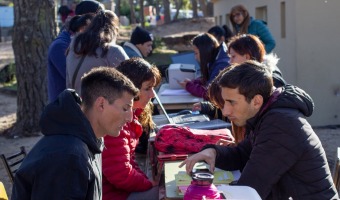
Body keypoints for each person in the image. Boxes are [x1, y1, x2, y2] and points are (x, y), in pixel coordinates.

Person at [179, 61, 339, 199]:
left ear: (256, 101)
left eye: (231, 102)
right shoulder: (269, 115)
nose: (226, 111)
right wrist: (213, 152)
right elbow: (243, 154)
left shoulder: (281, 125)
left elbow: (249, 191)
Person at [11, 67, 139, 200]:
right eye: (125, 108)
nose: (130, 118)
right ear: (101, 104)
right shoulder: (69, 157)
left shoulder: (90, 139)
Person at [102, 58, 162, 200]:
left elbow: (128, 161)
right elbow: (121, 174)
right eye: (147, 88)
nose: (153, 94)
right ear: (131, 88)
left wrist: (146, 182)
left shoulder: (129, 114)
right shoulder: (116, 121)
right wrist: (148, 184)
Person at [48, 0, 104, 102]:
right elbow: (78, 81)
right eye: (99, 20)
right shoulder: (60, 46)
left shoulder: (85, 43)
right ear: (86, 20)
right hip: (64, 111)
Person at [66, 10, 129, 95]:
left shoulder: (73, 47)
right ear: (115, 30)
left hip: (75, 104)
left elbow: (68, 83)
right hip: (102, 106)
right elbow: (131, 82)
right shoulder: (113, 51)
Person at [178, 33, 230, 100]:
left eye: (196, 53)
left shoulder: (221, 65)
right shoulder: (215, 60)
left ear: (204, 50)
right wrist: (194, 82)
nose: (195, 57)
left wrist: (189, 86)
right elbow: (209, 81)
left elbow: (209, 92)